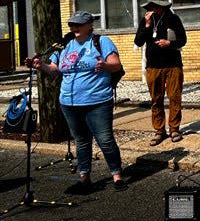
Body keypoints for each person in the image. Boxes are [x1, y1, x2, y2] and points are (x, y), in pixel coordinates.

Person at [27, 11, 127, 194]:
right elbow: (55, 70)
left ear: (89, 25)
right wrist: (41, 66)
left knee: (105, 140)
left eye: (78, 24)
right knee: (81, 141)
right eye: (72, 24)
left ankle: (117, 175)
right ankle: (84, 177)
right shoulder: (64, 44)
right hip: (69, 102)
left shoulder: (101, 42)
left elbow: (116, 65)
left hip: (97, 100)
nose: (74, 28)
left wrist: (105, 66)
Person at [134, 0, 187, 145]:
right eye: (151, 6)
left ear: (162, 7)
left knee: (174, 97)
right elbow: (138, 41)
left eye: (156, 6)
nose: (153, 9)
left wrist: (169, 43)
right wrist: (147, 25)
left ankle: (174, 129)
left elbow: (183, 40)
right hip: (153, 66)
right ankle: (159, 131)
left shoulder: (173, 19)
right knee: (156, 99)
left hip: (173, 65)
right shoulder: (146, 21)